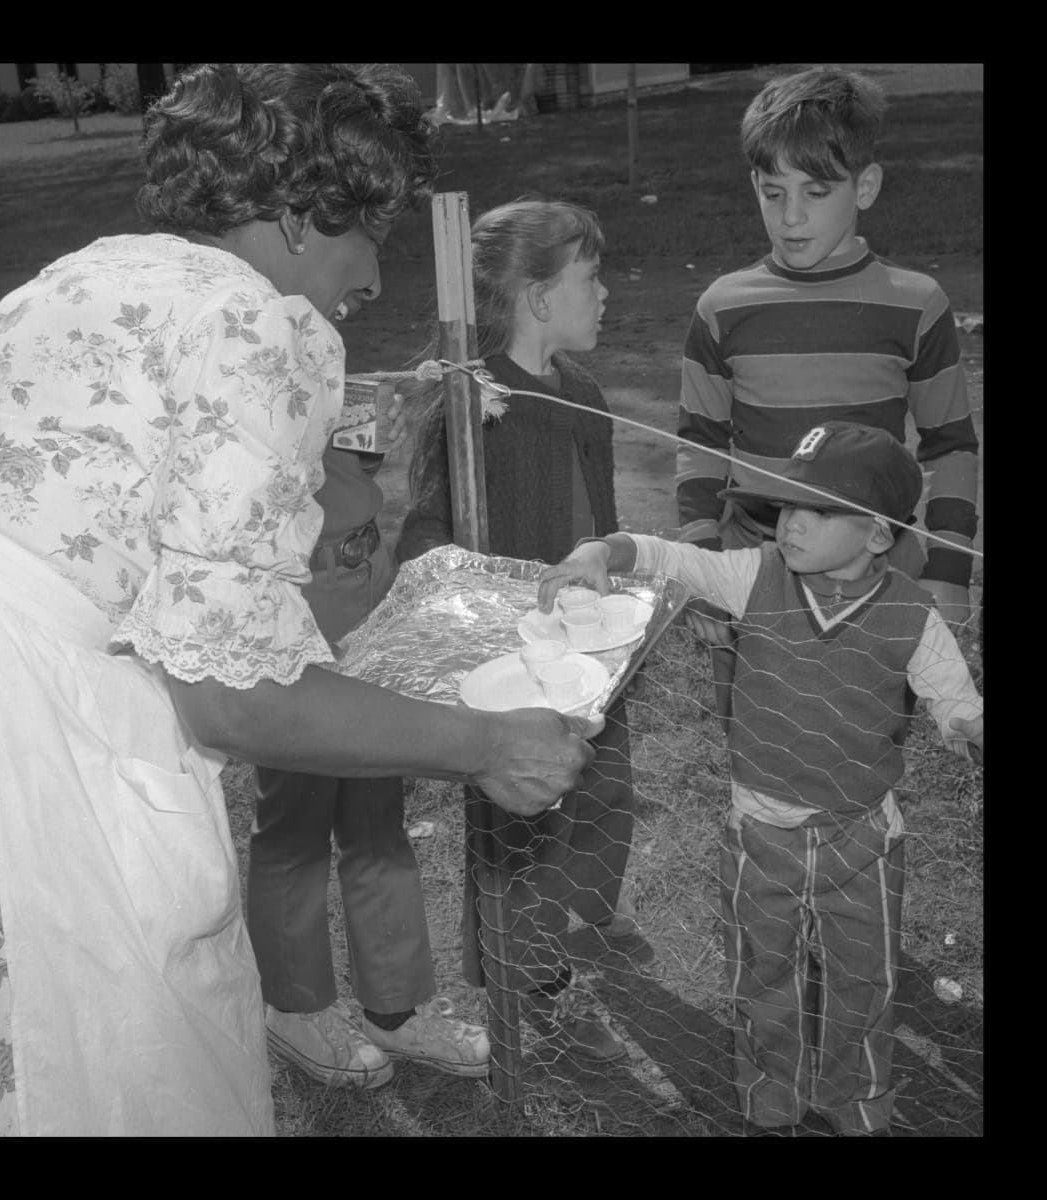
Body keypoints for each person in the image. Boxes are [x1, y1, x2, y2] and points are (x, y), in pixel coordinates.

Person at [0, 63, 601, 1138]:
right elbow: (234, 701)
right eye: (369, 230)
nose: (374, 272)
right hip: (15, 724)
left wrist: (325, 483)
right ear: (290, 216)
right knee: (102, 1056)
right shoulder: (258, 324)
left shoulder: (97, 272)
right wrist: (483, 742)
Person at [539, 421, 983, 1136]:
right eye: (784, 506)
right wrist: (603, 549)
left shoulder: (912, 617)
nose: (790, 523)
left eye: (815, 510)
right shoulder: (757, 575)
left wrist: (970, 727)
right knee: (763, 979)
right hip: (759, 835)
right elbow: (668, 556)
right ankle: (769, 1101)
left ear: (876, 536)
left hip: (861, 840)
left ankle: (855, 1105)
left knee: (863, 986)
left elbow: (959, 707)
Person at [397, 199, 643, 1065]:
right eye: (590, 278)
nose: (606, 294)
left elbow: (602, 521)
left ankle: (560, 930)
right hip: (512, 658)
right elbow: (428, 532)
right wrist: (479, 623)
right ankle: (523, 971)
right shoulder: (475, 396)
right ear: (538, 298)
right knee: (522, 818)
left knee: (599, 787)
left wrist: (613, 591)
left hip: (589, 643)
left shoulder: (585, 393)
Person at [675, 65, 979, 731]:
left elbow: (952, 445)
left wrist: (951, 569)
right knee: (762, 757)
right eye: (772, 190)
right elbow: (698, 443)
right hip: (755, 574)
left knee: (861, 758)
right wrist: (703, 564)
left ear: (864, 186)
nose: (790, 217)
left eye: (816, 191)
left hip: (876, 576)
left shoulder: (916, 304)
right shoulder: (723, 307)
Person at [249, 436, 489, 1089]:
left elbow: (344, 471)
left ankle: (394, 1008)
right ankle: (294, 1010)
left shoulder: (326, 345)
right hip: (290, 607)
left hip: (364, 590)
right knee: (296, 825)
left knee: (377, 815)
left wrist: (365, 444)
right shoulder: (244, 347)